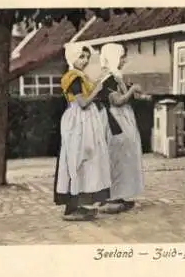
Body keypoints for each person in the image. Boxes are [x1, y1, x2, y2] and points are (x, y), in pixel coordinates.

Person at [53, 44, 112, 221]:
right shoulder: (73, 78)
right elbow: (83, 103)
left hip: (86, 121)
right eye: (81, 57)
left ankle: (81, 203)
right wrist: (96, 90)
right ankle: (72, 206)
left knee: (87, 161)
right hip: (78, 121)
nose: (85, 60)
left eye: (86, 57)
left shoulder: (81, 77)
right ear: (72, 58)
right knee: (77, 159)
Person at [96, 43, 150, 214]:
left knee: (124, 157)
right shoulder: (108, 79)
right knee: (116, 157)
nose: (124, 60)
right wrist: (132, 89)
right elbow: (117, 101)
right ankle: (110, 197)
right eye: (121, 57)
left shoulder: (116, 77)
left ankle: (119, 194)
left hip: (122, 120)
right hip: (114, 122)